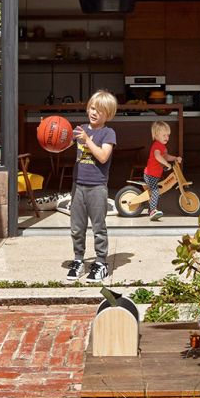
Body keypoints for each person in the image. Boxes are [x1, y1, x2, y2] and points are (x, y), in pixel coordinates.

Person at [66, 90, 117, 283]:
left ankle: (101, 262)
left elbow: (103, 156)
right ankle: (78, 260)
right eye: (92, 108)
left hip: (97, 187)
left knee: (98, 227)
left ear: (108, 115)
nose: (94, 112)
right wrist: (50, 131)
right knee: (77, 228)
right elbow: (60, 144)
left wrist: (87, 141)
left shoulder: (107, 133)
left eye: (100, 111)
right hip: (78, 185)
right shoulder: (80, 129)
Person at [143, 120, 181, 221]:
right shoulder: (157, 145)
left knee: (157, 191)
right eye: (164, 135)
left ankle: (151, 208)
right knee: (155, 191)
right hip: (150, 174)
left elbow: (166, 156)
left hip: (154, 175)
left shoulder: (162, 146)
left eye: (168, 135)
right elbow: (157, 156)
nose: (167, 138)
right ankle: (152, 211)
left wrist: (175, 158)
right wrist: (166, 164)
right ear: (156, 135)